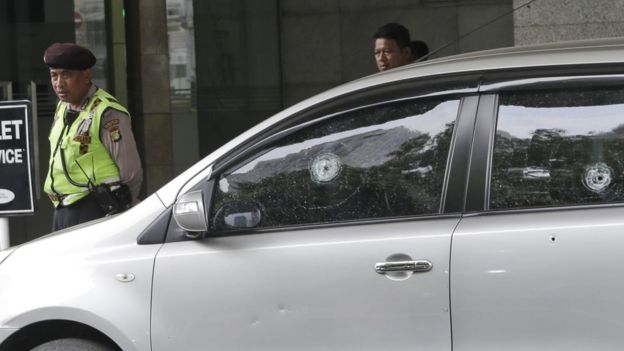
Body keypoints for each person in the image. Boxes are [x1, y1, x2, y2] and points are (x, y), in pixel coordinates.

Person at [43, 42, 143, 231]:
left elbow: (131, 173)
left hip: (96, 208)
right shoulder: (63, 107)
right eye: (54, 76)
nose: (59, 83)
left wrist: (122, 210)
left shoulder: (107, 112)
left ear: (87, 75)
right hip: (63, 209)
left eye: (67, 75)